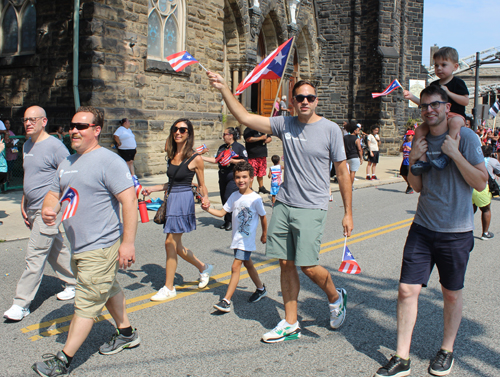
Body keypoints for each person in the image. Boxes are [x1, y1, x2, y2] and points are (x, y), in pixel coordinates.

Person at [207, 71, 353, 343]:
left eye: (310, 97)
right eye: (300, 98)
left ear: (316, 101)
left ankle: (335, 297)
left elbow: (343, 173)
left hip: (312, 205)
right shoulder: (284, 123)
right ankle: (290, 322)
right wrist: (225, 88)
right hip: (284, 203)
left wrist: (348, 212)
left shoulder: (331, 129)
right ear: (293, 101)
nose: (305, 101)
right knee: (285, 263)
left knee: (308, 265)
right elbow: (245, 118)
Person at [374, 85, 487, 377]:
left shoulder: (467, 138)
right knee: (406, 290)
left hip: (456, 231)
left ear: (447, 107)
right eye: (425, 106)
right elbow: (417, 186)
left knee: (451, 294)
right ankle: (402, 357)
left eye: (436, 104)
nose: (430, 110)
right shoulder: (419, 139)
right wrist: (415, 160)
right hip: (423, 228)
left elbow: (481, 183)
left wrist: (455, 154)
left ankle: (447, 350)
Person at [32, 106, 141, 376]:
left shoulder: (108, 161)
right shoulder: (67, 162)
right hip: (78, 247)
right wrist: (49, 208)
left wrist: (128, 243)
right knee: (108, 288)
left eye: (81, 126)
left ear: (96, 130)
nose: (74, 130)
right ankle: (126, 333)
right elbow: (54, 192)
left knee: (87, 301)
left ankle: (63, 359)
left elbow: (129, 201)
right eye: (72, 126)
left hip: (101, 246)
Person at [3, 106, 76, 322]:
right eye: (26, 120)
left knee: (35, 254)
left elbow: (68, 174)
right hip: (32, 206)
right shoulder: (26, 145)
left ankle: (21, 304)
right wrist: (24, 201)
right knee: (55, 247)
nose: (28, 123)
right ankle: (74, 283)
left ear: (44, 122)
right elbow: (30, 175)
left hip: (48, 210)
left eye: (33, 119)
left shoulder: (54, 145)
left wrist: (58, 206)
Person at [142, 119, 214, 301]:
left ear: (188, 133)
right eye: (175, 129)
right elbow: (171, 182)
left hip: (183, 201)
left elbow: (202, 185)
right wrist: (153, 188)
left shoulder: (195, 158)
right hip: (172, 198)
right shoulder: (171, 155)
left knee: (170, 243)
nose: (178, 132)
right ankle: (204, 267)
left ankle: (169, 287)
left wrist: (205, 199)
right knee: (177, 245)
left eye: (182, 129)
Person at [202, 161, 268, 312]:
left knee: (235, 266)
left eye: (244, 177)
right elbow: (221, 213)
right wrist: (208, 209)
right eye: (238, 177)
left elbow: (263, 217)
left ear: (252, 178)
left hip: (247, 240)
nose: (241, 180)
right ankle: (260, 288)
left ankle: (226, 300)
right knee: (248, 263)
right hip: (237, 239)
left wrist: (264, 234)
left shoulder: (255, 198)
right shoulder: (234, 196)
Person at [404, 47, 469, 174]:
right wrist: (412, 97)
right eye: (436, 65)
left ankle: (446, 155)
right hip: (438, 117)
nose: (439, 68)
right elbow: (425, 104)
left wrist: (448, 93)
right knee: (420, 130)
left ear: (455, 67)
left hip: (455, 115)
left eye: (444, 65)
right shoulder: (433, 85)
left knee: (454, 123)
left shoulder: (458, 83)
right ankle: (422, 161)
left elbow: (465, 101)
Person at [201, 127, 248, 231]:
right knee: (223, 197)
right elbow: (216, 160)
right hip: (222, 175)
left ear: (231, 135)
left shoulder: (239, 147)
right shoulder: (222, 147)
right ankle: (227, 220)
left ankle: (232, 220)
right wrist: (200, 157)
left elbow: (244, 161)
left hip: (233, 176)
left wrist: (231, 161)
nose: (223, 136)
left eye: (224, 134)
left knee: (228, 197)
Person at [472, 145, 500, 241]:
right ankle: (485, 233)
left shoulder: (473, 159)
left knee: (470, 210)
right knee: (486, 210)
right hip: (483, 188)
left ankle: (464, 230)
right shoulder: (492, 161)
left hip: (471, 188)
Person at [243, 126, 272, 194]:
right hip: (252, 155)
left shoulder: (263, 128)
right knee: (251, 172)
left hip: (262, 154)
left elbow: (269, 137)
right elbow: (248, 139)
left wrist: (268, 140)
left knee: (261, 172)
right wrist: (260, 138)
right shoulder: (248, 129)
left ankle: (261, 187)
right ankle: (249, 187)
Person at [344, 121, 363, 188]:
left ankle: (346, 184)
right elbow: (359, 149)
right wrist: (361, 158)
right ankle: (350, 186)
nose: (358, 131)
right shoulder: (356, 139)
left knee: (346, 172)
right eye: (358, 130)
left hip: (346, 157)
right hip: (354, 156)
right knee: (352, 172)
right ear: (354, 131)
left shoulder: (345, 137)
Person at [400, 130, 414, 194]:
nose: (408, 137)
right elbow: (400, 150)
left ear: (412, 136)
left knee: (409, 174)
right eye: (407, 135)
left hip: (410, 161)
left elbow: (416, 151)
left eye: (409, 135)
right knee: (403, 173)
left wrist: (410, 149)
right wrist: (402, 147)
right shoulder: (405, 142)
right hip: (405, 160)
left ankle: (410, 187)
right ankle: (409, 184)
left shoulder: (413, 143)